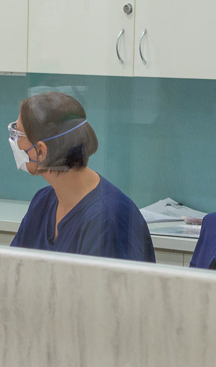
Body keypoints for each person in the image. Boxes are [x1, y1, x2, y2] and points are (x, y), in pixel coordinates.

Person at [8, 91, 155, 262]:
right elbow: (13, 268)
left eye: (17, 134)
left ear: (41, 151)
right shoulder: (42, 202)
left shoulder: (107, 219)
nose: (14, 142)